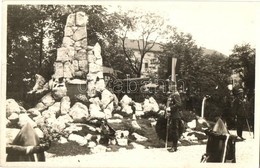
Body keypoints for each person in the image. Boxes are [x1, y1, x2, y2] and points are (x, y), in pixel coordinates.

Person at [166, 84, 183, 152]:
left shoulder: (176, 94)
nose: (168, 87)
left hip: (175, 115)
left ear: (172, 87)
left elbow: (179, 104)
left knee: (175, 130)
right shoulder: (172, 94)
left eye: (169, 86)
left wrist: (170, 108)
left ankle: (174, 147)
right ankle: (173, 146)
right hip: (172, 115)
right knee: (173, 130)